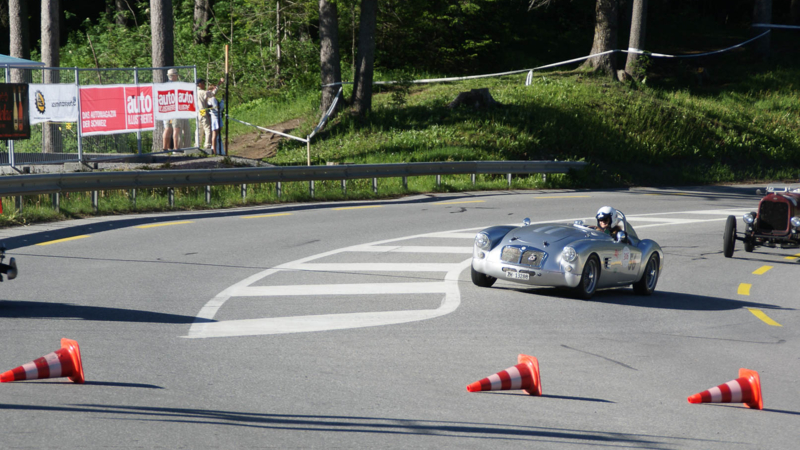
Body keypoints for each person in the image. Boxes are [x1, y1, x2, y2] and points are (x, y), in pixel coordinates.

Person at [162, 68, 185, 151]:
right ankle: (176, 148)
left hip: (165, 110)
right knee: (176, 128)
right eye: (176, 76)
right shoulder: (176, 86)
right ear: (174, 76)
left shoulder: (164, 86)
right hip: (174, 110)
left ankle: (165, 148)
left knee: (167, 128)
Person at [196, 78, 214, 151]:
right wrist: (218, 85)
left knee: (199, 129)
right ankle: (207, 145)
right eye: (203, 83)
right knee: (207, 128)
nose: (204, 85)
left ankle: (197, 144)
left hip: (197, 112)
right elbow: (212, 94)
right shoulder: (203, 92)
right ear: (199, 84)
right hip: (202, 111)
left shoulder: (194, 92)